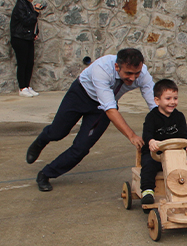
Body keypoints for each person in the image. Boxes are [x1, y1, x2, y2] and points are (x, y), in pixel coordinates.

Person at [26, 48, 155, 192]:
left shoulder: (143, 74)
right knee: (57, 133)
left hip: (100, 108)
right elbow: (111, 109)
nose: (133, 78)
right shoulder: (102, 68)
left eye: (136, 73)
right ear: (117, 67)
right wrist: (131, 135)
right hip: (80, 95)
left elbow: (155, 104)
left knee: (81, 148)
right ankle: (41, 141)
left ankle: (46, 174)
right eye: (128, 73)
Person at [140, 79, 187, 205]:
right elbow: (147, 134)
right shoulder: (152, 117)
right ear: (157, 100)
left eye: (175, 98)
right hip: (157, 155)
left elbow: (184, 136)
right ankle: (147, 191)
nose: (172, 102)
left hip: (176, 155)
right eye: (168, 98)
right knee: (148, 165)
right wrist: (151, 141)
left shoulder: (179, 117)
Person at [10, 0, 45, 97]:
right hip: (19, 38)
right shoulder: (20, 6)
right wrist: (35, 11)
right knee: (22, 63)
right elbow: (26, 21)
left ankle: (27, 86)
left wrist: (35, 33)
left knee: (30, 63)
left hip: (28, 38)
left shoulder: (28, 5)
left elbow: (33, 23)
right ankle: (22, 87)